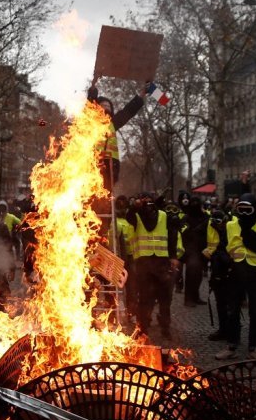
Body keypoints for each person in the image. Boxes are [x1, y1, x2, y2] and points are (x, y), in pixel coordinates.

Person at [215, 195, 256, 361]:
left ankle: (253, 348)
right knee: (232, 310)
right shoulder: (231, 225)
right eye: (240, 209)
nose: (244, 213)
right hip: (236, 271)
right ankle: (231, 346)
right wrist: (226, 263)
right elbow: (222, 247)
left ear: (255, 208)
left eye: (248, 209)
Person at [127, 192, 183, 340]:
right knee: (145, 299)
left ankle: (165, 328)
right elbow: (128, 216)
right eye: (146, 202)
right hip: (143, 264)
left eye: (151, 202)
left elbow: (171, 237)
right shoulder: (136, 215)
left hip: (161, 263)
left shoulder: (164, 216)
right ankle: (142, 328)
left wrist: (173, 257)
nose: (149, 205)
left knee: (165, 298)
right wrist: (135, 207)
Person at [86, 82, 148, 190]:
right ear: (97, 107)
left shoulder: (113, 123)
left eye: (108, 106)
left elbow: (128, 111)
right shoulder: (91, 121)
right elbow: (90, 102)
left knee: (106, 194)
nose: (106, 107)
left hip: (111, 165)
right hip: (94, 163)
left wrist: (142, 94)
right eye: (103, 105)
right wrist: (93, 87)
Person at [203, 208, 233, 342]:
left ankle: (232, 331)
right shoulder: (210, 226)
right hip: (217, 268)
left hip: (232, 269)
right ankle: (223, 330)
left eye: (221, 222)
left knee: (231, 303)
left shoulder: (232, 227)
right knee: (220, 302)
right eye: (216, 223)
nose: (219, 225)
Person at [180, 195, 208, 307]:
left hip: (202, 249)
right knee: (191, 275)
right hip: (190, 249)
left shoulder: (205, 217)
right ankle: (188, 299)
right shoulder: (186, 218)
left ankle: (195, 297)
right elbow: (183, 230)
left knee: (199, 275)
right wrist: (192, 231)